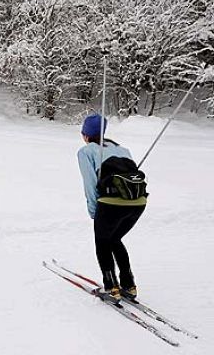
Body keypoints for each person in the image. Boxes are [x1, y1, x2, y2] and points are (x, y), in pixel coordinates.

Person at [77, 114, 147, 303]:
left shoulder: (87, 152)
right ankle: (129, 286)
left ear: (86, 134)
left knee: (102, 242)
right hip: (138, 202)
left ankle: (111, 287)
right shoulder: (122, 149)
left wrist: (94, 210)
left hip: (111, 203)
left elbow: (90, 184)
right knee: (114, 239)